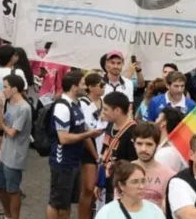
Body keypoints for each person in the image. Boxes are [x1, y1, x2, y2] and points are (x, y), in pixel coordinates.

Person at [47, 71, 104, 219]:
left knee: (67, 202)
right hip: (62, 162)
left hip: (74, 161)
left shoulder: (77, 103)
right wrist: (88, 134)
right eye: (83, 84)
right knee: (57, 202)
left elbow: (82, 128)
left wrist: (90, 133)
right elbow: (64, 138)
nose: (85, 87)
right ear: (74, 87)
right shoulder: (62, 107)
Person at [0, 74, 32, 219]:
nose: (3, 90)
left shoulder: (24, 108)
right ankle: (7, 215)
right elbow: (1, 125)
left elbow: (11, 132)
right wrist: (0, 107)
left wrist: (3, 125)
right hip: (5, 152)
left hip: (15, 155)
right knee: (1, 188)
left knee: (13, 190)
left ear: (15, 89)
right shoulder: (10, 103)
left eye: (5, 87)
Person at [0, 45, 26, 158]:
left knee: (0, 148)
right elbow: (23, 92)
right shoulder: (18, 72)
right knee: (13, 149)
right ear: (11, 57)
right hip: (15, 117)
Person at [99, 91, 138, 203]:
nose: (103, 112)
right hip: (108, 180)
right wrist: (99, 182)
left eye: (106, 109)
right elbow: (105, 153)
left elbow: (133, 162)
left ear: (117, 110)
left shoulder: (133, 131)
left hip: (122, 185)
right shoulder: (110, 124)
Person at [94, 161, 166, 219]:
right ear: (121, 185)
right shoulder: (107, 213)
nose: (141, 186)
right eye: (135, 182)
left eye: (143, 181)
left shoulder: (155, 211)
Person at [130, 122, 175, 211]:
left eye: (149, 144)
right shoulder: (123, 172)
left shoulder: (169, 175)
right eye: (139, 143)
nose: (143, 149)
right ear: (134, 144)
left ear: (157, 145)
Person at [79, 73, 106, 219]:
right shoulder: (82, 103)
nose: (103, 87)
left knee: (98, 189)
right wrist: (96, 156)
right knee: (89, 188)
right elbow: (86, 131)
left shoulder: (104, 102)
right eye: (101, 85)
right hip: (89, 148)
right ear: (90, 87)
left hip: (103, 147)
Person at [154, 107, 188, 173]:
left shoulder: (164, 154)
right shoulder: (171, 149)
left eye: (158, 118)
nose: (155, 121)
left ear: (163, 123)